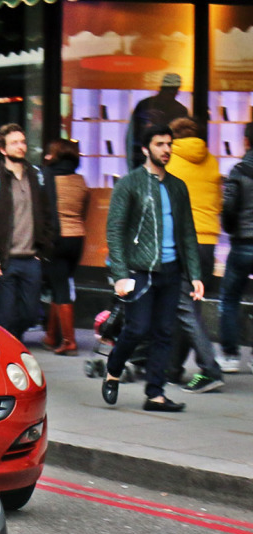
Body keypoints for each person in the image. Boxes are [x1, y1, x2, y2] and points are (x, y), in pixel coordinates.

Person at [101, 124, 205, 413]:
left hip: (171, 271)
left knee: (164, 331)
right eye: (160, 144)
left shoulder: (177, 186)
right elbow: (115, 230)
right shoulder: (129, 184)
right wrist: (120, 274)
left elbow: (188, 232)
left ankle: (155, 394)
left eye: (169, 144)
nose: (166, 149)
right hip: (139, 272)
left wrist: (195, 274)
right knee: (137, 329)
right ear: (146, 149)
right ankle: (113, 370)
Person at [164, 117, 224, 391]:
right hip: (208, 244)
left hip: (185, 242)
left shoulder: (170, 161)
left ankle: (210, 369)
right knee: (189, 307)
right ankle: (173, 368)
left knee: (185, 308)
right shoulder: (211, 161)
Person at [0, 123, 54, 343]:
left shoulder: (37, 177)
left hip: (31, 259)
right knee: (6, 318)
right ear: (3, 149)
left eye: (22, 141)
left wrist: (42, 251)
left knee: (31, 314)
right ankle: (10, 356)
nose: (20, 146)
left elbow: (48, 214)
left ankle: (12, 344)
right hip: (5, 261)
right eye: (14, 143)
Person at [41, 138, 89, 355]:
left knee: (59, 288)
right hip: (77, 239)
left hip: (58, 240)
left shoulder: (48, 177)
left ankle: (69, 340)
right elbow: (84, 210)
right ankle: (51, 336)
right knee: (59, 283)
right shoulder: (80, 180)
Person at [218, 121, 253, 374]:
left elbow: (229, 208)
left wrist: (231, 229)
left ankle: (230, 356)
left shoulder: (238, 171)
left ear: (246, 141)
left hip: (242, 243)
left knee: (229, 299)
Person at [128, 72, 190, 170]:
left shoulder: (144, 104)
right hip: (169, 163)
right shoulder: (180, 110)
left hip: (146, 161)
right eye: (171, 90)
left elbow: (132, 138)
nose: (172, 93)